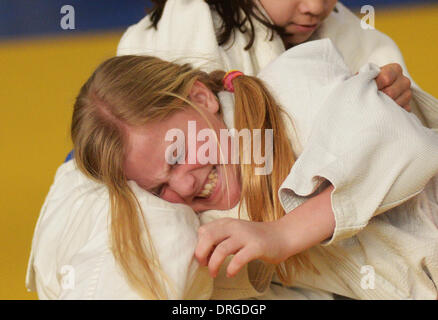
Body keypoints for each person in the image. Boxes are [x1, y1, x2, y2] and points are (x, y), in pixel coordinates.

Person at [27, 37, 438, 300]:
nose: (184, 185)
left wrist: (283, 234)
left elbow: (409, 145)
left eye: (175, 155)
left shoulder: (293, 89)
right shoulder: (213, 223)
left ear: (202, 98)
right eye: (158, 189)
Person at [117, 0, 438, 125]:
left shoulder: (343, 28)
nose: (315, 6)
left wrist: (395, 100)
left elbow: (418, 142)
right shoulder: (186, 29)